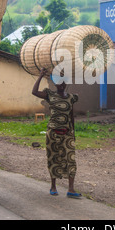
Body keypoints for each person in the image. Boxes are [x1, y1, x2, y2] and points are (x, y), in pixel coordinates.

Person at [32, 68, 81, 199]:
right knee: (53, 158)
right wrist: (41, 75)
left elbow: (71, 115)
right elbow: (34, 92)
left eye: (64, 82)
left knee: (70, 159)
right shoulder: (50, 95)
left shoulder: (71, 98)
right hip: (53, 133)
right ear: (55, 83)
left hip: (67, 133)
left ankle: (71, 189)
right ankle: (53, 186)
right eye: (59, 82)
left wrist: (73, 132)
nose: (62, 84)